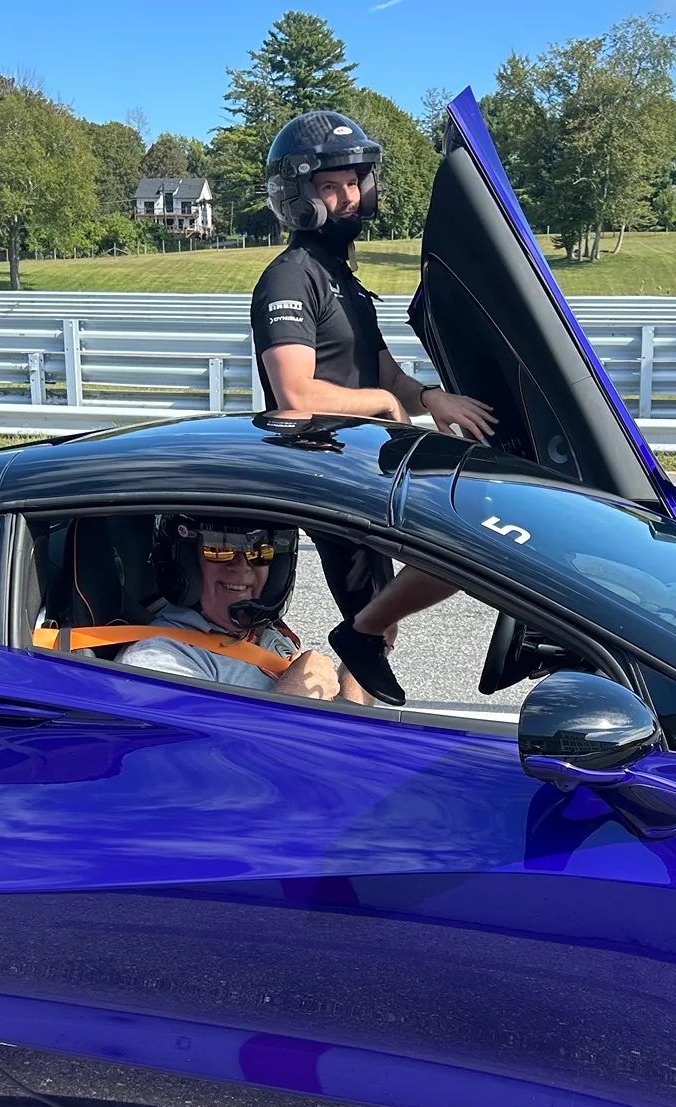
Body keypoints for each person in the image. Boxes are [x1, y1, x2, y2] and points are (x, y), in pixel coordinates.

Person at [250, 109, 494, 707]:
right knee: (456, 550)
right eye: (329, 187)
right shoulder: (289, 280)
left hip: (360, 456)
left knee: (380, 619)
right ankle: (355, 692)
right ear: (298, 197)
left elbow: (379, 368)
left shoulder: (340, 278)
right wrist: (384, 404)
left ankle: (356, 694)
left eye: (353, 182)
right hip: (322, 465)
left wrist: (428, 397)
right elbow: (296, 394)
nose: (347, 197)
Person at [117, 513, 370, 703]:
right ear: (187, 563)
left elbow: (355, 728)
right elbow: (207, 762)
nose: (242, 565)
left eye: (261, 551)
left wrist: (369, 640)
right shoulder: (156, 660)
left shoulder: (263, 632)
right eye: (219, 549)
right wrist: (298, 697)